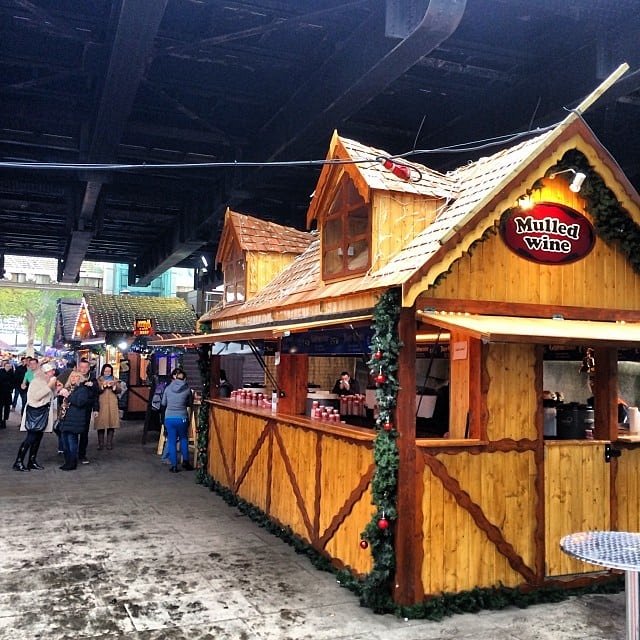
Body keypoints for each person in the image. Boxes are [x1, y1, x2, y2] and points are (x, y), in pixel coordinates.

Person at [12, 361, 57, 471]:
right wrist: (50, 386)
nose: (53, 373)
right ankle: (18, 462)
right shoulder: (36, 381)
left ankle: (32, 461)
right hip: (35, 412)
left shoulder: (47, 381)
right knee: (30, 438)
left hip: (43, 412)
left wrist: (56, 390)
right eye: (51, 371)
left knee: (38, 437)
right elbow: (36, 397)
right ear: (45, 372)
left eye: (53, 371)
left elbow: (50, 396)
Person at [160, 367, 193, 473]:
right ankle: (186, 462)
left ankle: (174, 466)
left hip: (169, 418)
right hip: (182, 418)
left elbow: (163, 403)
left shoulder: (167, 388)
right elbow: (190, 403)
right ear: (184, 379)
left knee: (172, 441)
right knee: (183, 439)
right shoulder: (187, 389)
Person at [57, 371, 91, 471]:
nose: (73, 378)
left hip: (75, 419)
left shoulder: (83, 389)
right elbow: (61, 402)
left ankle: (72, 463)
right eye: (72, 376)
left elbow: (80, 402)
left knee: (72, 442)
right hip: (65, 419)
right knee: (65, 442)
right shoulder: (67, 388)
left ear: (80, 378)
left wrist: (68, 396)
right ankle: (67, 462)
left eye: (76, 376)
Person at [95, 364, 123, 450]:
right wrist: (103, 386)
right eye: (106, 371)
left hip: (112, 404)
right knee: (101, 424)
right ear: (103, 371)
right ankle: (100, 444)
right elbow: (96, 390)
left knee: (111, 424)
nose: (107, 373)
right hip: (101, 404)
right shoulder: (98, 380)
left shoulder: (115, 379)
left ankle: (109, 443)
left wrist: (114, 386)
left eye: (109, 371)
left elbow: (119, 390)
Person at [77, 358, 99, 464]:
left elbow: (96, 395)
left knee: (84, 432)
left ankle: (82, 454)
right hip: (74, 408)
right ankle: (71, 453)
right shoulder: (74, 377)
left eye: (86, 367)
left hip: (87, 409)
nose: (84, 369)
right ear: (78, 367)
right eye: (82, 367)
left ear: (89, 368)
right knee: (73, 431)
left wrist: (96, 409)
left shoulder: (93, 378)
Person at [0, 360, 15, 429]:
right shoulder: (1, 372)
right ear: (4, 366)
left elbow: (13, 382)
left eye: (9, 366)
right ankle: (1, 420)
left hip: (8, 393)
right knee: (0, 407)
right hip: (1, 392)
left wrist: (11, 387)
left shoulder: (12, 373)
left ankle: (4, 421)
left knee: (7, 407)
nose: (8, 367)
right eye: (7, 366)